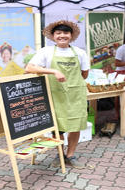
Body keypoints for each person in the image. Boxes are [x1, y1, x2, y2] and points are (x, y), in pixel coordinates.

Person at [25, 19, 89, 169]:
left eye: (65, 32)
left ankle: (70, 155)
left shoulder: (80, 53)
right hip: (55, 95)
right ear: (53, 36)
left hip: (75, 95)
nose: (62, 36)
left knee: (75, 125)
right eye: (58, 33)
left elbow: (84, 74)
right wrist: (53, 70)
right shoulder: (45, 51)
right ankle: (59, 155)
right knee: (58, 126)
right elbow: (29, 68)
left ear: (71, 35)